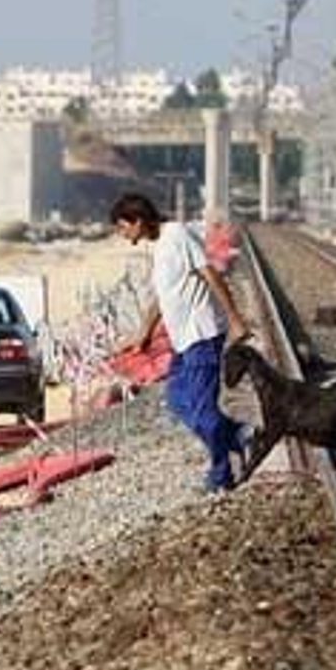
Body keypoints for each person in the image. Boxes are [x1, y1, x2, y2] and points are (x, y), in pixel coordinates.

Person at [111, 193, 251, 492]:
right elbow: (162, 297)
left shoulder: (178, 234)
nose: (122, 235)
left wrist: (236, 320)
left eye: (123, 228)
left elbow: (210, 274)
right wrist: (144, 334)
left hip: (202, 335)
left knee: (202, 411)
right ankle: (239, 436)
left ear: (137, 221)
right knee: (176, 398)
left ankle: (221, 475)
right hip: (184, 342)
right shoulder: (160, 246)